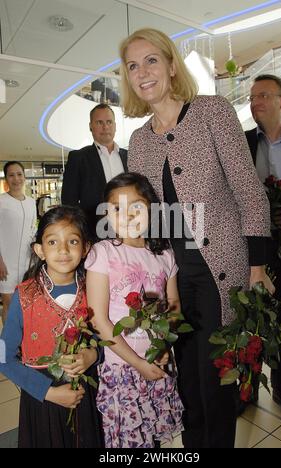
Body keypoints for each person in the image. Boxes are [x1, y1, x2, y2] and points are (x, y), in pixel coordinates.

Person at [119, 28, 274, 448]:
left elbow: (248, 191)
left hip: (220, 274)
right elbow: (147, 219)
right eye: (133, 65)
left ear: (171, 65)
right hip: (171, 280)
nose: (142, 72)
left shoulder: (212, 112)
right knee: (185, 383)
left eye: (151, 60)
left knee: (215, 385)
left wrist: (257, 266)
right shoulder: (138, 140)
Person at [85, 172, 184, 448]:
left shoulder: (165, 255)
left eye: (136, 207)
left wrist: (164, 346)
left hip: (158, 362)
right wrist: (138, 363)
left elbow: (174, 308)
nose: (127, 215)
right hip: (123, 369)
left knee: (151, 435)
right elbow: (100, 321)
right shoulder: (103, 253)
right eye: (117, 208)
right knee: (126, 441)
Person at [0, 206, 103, 448]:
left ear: (86, 248)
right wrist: (49, 392)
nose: (64, 250)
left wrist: (93, 354)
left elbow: (104, 334)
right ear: (40, 250)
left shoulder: (94, 289)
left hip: (85, 393)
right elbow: (3, 357)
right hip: (42, 398)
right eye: (53, 242)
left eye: (73, 241)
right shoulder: (24, 295)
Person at [245, 74, 281, 424]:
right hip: (250, 251)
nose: (254, 103)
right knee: (248, 318)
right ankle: (246, 388)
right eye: (251, 98)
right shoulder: (240, 142)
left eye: (263, 95)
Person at [61, 103, 128, 235]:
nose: (105, 127)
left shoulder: (130, 156)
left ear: (115, 125)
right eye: (99, 122)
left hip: (129, 228)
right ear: (90, 126)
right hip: (95, 232)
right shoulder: (78, 158)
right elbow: (69, 202)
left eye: (109, 122)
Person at [0, 161, 36, 323]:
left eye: (19, 174)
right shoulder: (1, 202)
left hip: (28, 262)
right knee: (8, 302)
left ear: (24, 176)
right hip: (5, 263)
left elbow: (32, 229)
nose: (16, 178)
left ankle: (23, 341)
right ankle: (8, 343)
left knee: (24, 303)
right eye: (11, 175)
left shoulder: (31, 202)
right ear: (6, 178)